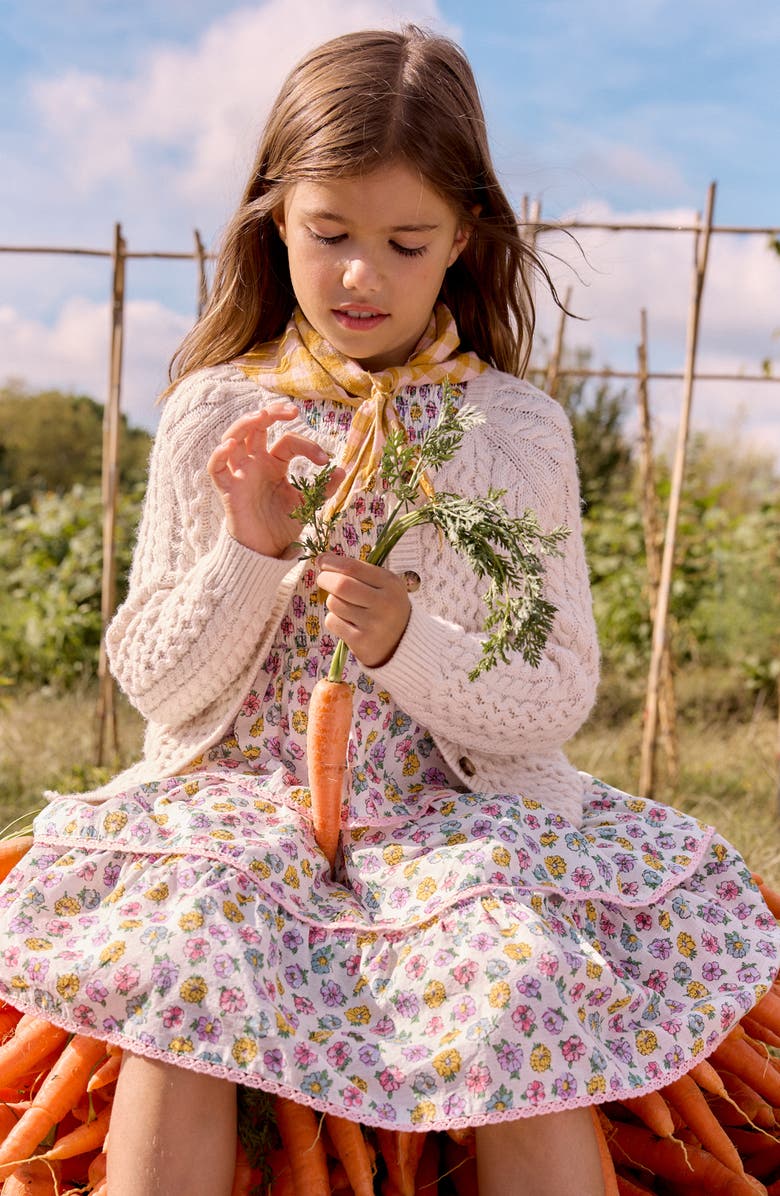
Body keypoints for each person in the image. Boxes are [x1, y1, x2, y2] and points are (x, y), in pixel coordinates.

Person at [0, 25, 777, 1196]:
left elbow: (557, 683)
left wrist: (410, 640)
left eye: (404, 242)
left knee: (519, 971)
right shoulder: (218, 413)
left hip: (450, 816)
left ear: (463, 238)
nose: (362, 273)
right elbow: (154, 679)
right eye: (330, 235)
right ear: (274, 218)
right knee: (188, 946)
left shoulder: (512, 431)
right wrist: (251, 555)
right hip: (234, 801)